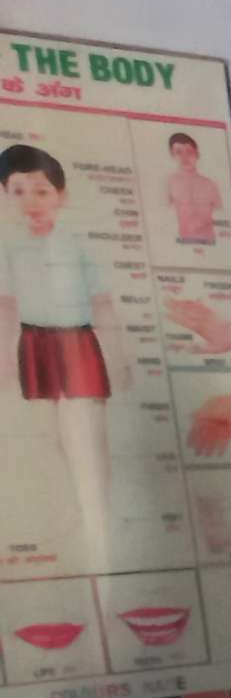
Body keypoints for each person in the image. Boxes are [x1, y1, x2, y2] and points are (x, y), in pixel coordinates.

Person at [4, 144, 129, 562]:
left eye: (41, 191)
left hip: (77, 344)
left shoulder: (78, 247)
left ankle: (101, 517)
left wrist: (119, 360)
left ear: (61, 195)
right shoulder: (9, 249)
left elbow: (103, 304)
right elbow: (6, 308)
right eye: (18, 191)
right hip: (34, 344)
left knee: (88, 434)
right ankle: (73, 516)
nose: (31, 202)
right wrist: (5, 362)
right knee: (49, 436)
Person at [164, 131, 224, 249]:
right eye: (179, 152)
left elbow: (222, 215)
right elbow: (162, 216)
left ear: (197, 154)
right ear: (172, 155)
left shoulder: (210, 185)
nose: (184, 157)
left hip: (209, 243)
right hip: (181, 244)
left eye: (189, 152)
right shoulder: (169, 183)